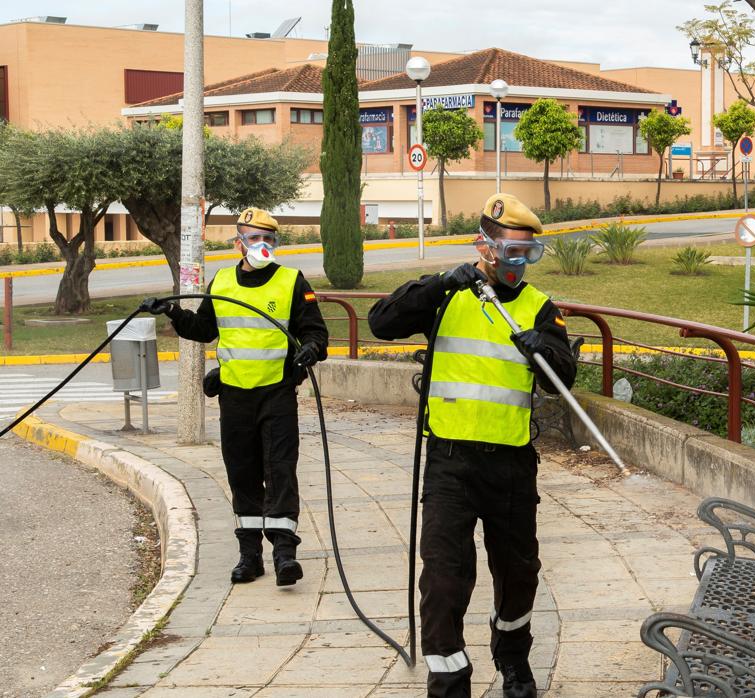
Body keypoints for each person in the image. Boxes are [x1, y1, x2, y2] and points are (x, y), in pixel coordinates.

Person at [367, 193, 577, 698]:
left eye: (528, 253)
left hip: (511, 465)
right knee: (443, 578)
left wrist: (545, 351)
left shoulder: (538, 307)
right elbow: (381, 322)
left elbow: (563, 380)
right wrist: (439, 283)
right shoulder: (446, 297)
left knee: (519, 573)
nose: (518, 264)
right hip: (450, 463)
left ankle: (513, 660)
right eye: (510, 252)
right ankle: (448, 679)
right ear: (484, 247)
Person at [139, 207, 328, 587]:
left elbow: (316, 332)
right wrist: (172, 311)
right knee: (242, 475)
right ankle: (250, 556)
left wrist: (310, 348)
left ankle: (284, 554)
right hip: (235, 398)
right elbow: (203, 329)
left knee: (280, 472)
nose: (262, 244)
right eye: (254, 237)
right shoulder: (223, 282)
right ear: (239, 242)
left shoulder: (291, 281)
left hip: (276, 394)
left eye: (269, 238)